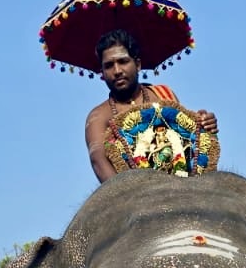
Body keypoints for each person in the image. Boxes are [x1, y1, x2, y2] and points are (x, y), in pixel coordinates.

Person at [84, 29, 218, 183]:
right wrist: (128, 198)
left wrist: (204, 122)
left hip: (181, 186)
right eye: (108, 66)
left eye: (123, 61)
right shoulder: (99, 117)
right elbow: (98, 161)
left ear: (138, 64)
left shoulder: (163, 94)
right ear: (102, 73)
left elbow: (186, 138)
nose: (117, 71)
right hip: (132, 195)